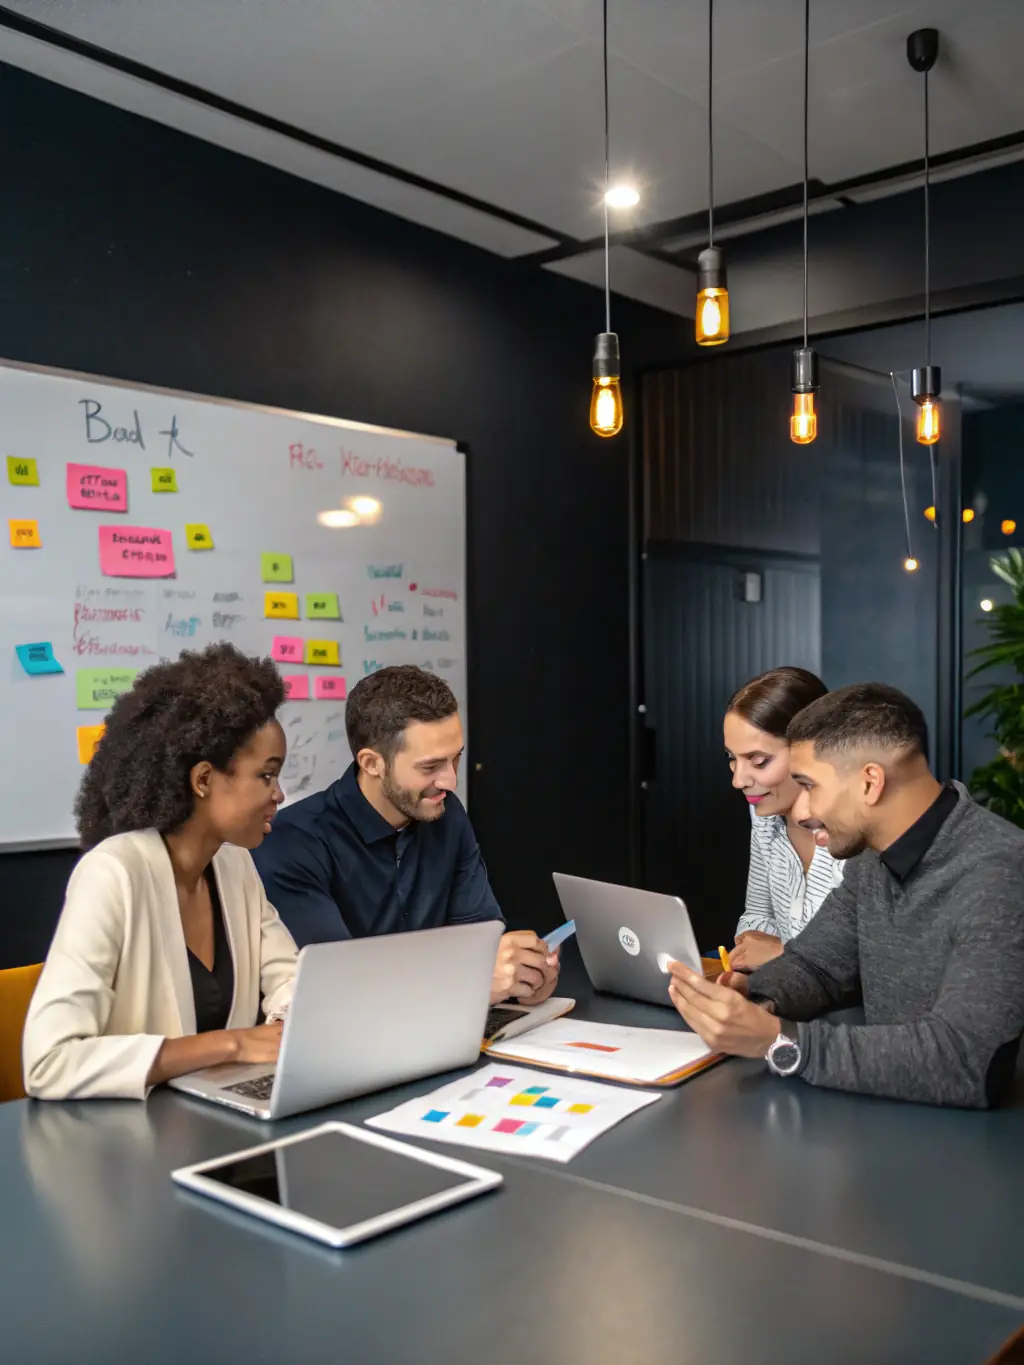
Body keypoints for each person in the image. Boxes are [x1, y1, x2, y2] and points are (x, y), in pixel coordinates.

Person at [668, 682, 1024, 1108]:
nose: (801, 812)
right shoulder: (872, 858)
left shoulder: (1001, 869)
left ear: (870, 783)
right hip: (889, 1115)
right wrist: (750, 995)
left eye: (809, 786)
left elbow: (966, 1062)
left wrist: (779, 1040)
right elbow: (817, 965)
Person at [23, 644, 299, 1101]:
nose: (279, 795)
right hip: (118, 1146)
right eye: (266, 776)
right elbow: (48, 1062)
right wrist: (231, 1044)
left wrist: (290, 1023)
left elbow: (288, 978)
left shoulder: (233, 865)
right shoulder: (112, 874)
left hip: (204, 1125)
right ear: (204, 780)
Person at [253, 665, 559, 1006]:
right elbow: (339, 989)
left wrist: (523, 979)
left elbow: (482, 945)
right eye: (430, 767)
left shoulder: (446, 815)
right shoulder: (293, 842)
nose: (450, 782)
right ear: (371, 763)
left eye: (456, 759)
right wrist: (470, 981)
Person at [725, 667, 843, 969]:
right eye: (731, 759)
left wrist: (781, 952)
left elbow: (858, 955)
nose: (739, 780)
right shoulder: (764, 817)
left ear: (811, 749)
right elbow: (755, 918)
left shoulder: (855, 829)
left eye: (759, 761)